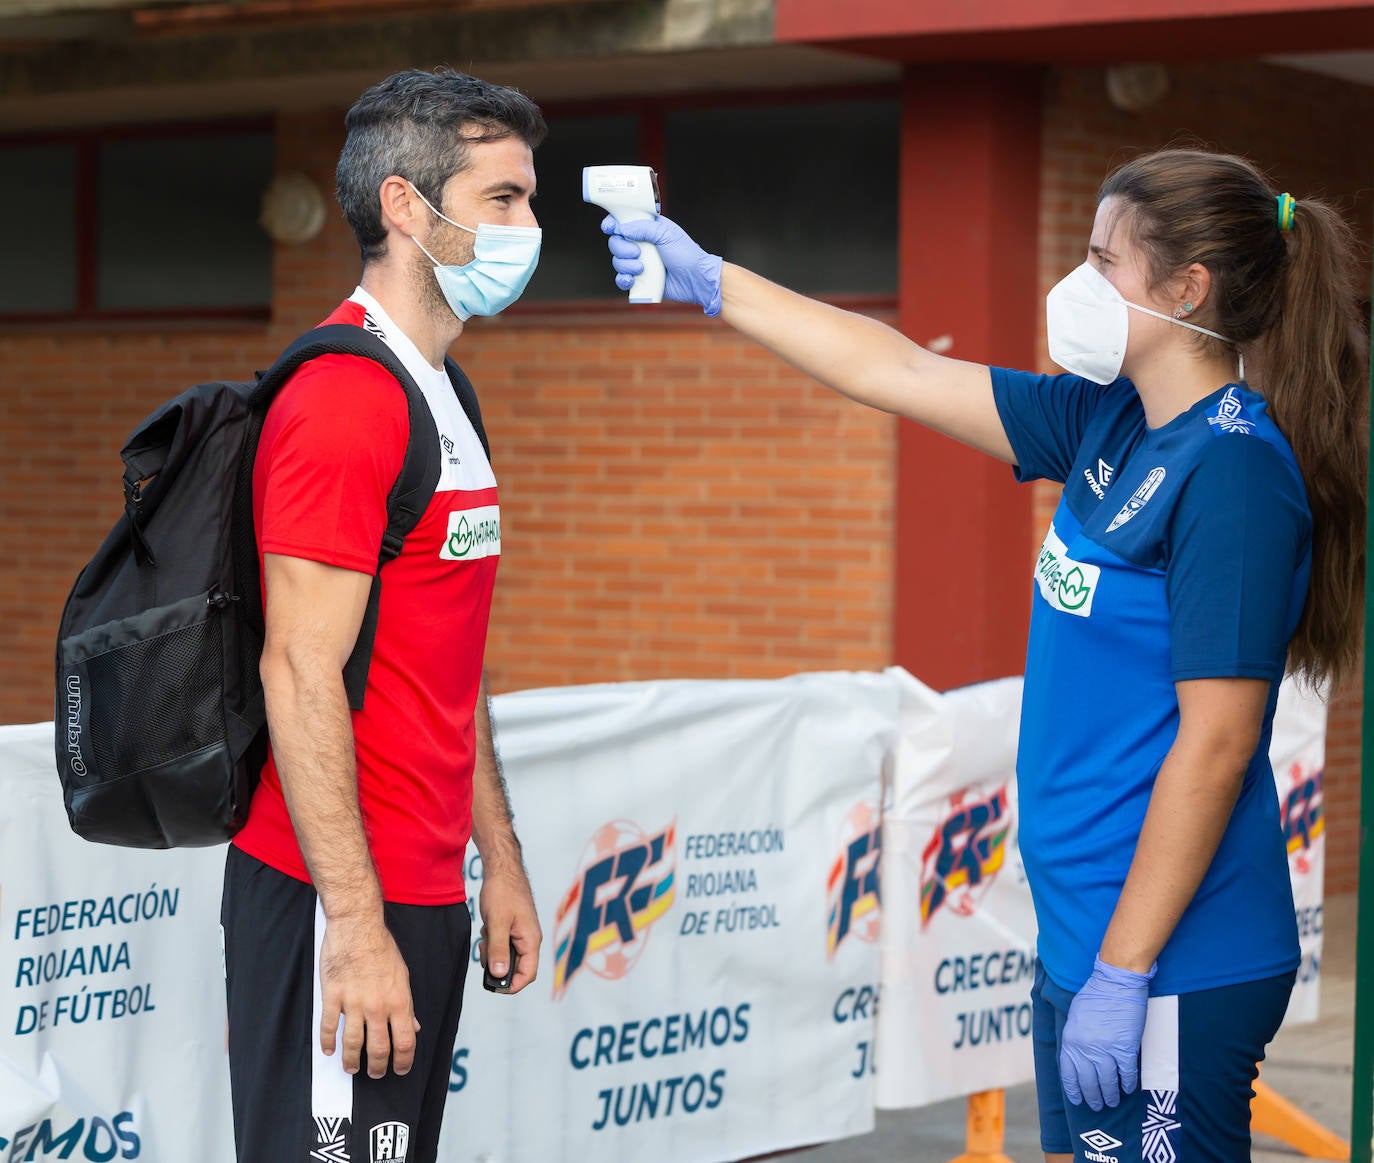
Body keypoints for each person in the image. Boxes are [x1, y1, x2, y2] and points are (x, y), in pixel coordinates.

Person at [600, 149, 1368, 1163]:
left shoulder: (1230, 471)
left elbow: (1220, 744)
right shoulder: (1112, 418)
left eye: (1105, 262)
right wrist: (711, 281)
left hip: (1172, 957)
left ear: (1189, 289)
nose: (1078, 283)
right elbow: (902, 368)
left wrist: (1127, 969)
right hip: (1086, 937)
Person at [220, 68, 546, 1163]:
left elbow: (448, 651)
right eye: (502, 199)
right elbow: (298, 672)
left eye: (528, 199)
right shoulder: (345, 400)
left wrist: (495, 854)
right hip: (335, 900)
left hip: (420, 885)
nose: (529, 226)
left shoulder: (444, 387)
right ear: (408, 206)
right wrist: (354, 930)